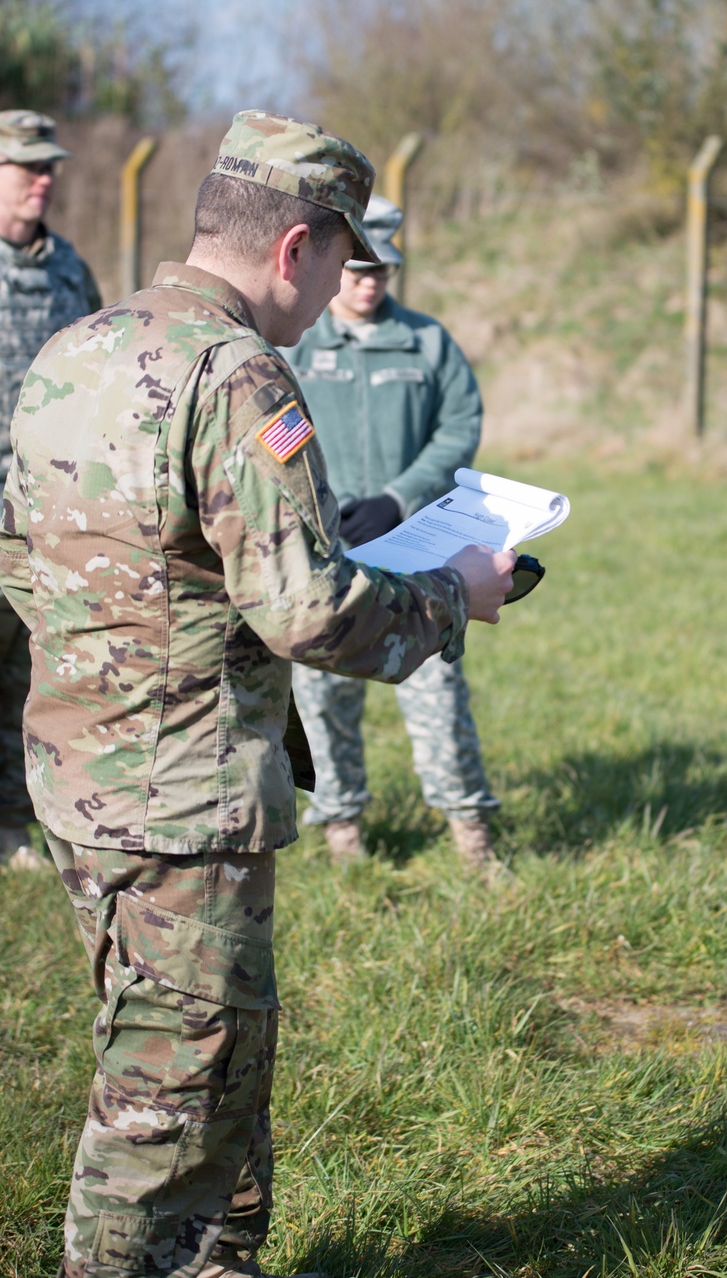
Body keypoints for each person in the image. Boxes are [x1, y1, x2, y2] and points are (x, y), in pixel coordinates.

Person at [0, 109, 515, 1278]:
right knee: (165, 1103)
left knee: (198, 1066)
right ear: (296, 250)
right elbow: (312, 615)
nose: (341, 288)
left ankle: (212, 1261)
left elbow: (46, 553)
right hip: (185, 808)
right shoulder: (239, 371)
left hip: (80, 782)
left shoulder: (76, 346)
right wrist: (454, 593)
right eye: (341, 262)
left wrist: (340, 533)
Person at [282, 195, 499, 867]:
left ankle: (472, 835)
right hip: (331, 550)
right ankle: (341, 828)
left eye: (382, 272)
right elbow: (273, 434)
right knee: (324, 691)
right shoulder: (297, 346)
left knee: (437, 687)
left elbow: (459, 426)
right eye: (357, 269)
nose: (370, 283)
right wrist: (317, 504)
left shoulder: (428, 342)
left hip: (415, 551)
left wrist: (403, 497)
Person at [0, 109, 101, 872]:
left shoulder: (69, 267)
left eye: (50, 165)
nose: (44, 177)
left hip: (44, 508)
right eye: (27, 164)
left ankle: (13, 825)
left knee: (29, 669)